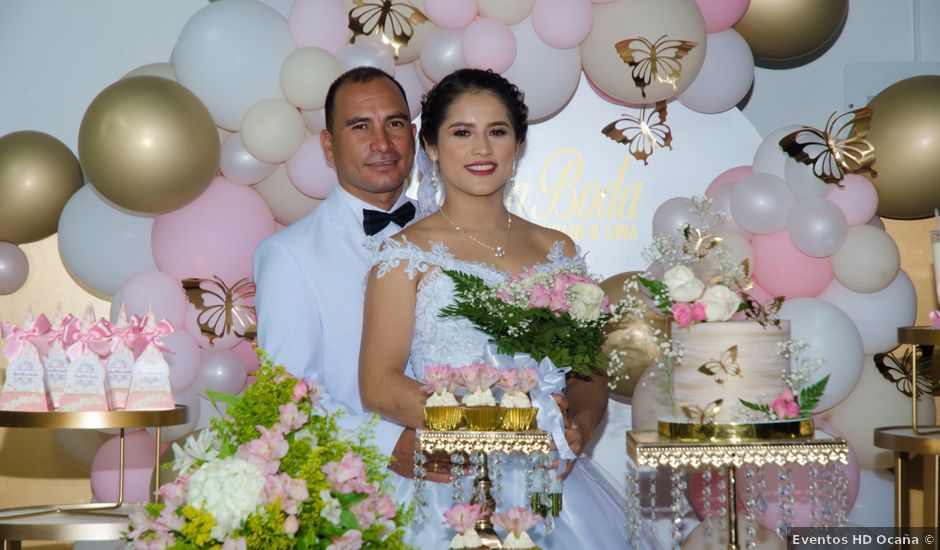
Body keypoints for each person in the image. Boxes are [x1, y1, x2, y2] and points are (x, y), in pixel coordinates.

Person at [359, 68, 632, 548]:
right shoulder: (404, 254)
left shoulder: (556, 248)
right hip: (450, 487)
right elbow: (379, 385)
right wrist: (496, 423)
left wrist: (581, 426)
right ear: (433, 147)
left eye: (497, 132)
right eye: (462, 132)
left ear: (518, 145)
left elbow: (588, 370)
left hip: (553, 484)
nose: (481, 149)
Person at [252, 67, 451, 483]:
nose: (382, 143)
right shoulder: (288, 255)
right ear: (328, 147)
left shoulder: (457, 236)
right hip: (366, 494)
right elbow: (290, 401)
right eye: (360, 126)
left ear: (413, 137)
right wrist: (388, 444)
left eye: (395, 124)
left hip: (475, 477)